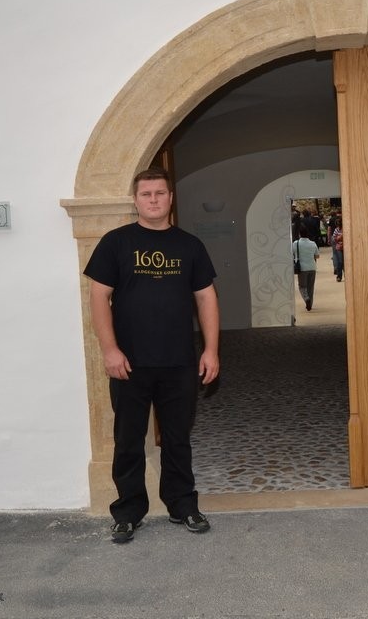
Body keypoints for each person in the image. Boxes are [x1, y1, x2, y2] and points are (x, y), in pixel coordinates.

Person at [84, 167, 220, 544]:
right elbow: (98, 297)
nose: (154, 200)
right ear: (136, 200)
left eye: (160, 193)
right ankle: (128, 512)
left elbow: (206, 298)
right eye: (146, 194)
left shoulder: (190, 246)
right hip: (129, 363)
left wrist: (211, 350)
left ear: (170, 198)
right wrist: (110, 350)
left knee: (178, 438)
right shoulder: (115, 242)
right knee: (128, 440)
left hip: (179, 361)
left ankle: (182, 504)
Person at [293, 225, 320, 311]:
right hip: (312, 267)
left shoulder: (296, 243)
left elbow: (292, 253)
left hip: (302, 268)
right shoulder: (313, 243)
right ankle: (310, 304)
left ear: (299, 234)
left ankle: (306, 298)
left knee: (302, 286)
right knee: (310, 287)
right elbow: (317, 256)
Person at [331, 218, 344, 282]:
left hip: (345, 248)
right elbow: (334, 239)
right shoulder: (336, 230)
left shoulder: (345, 229)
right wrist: (339, 237)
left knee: (345, 262)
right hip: (339, 247)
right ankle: (339, 276)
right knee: (340, 262)